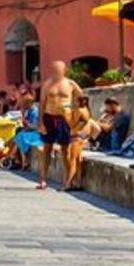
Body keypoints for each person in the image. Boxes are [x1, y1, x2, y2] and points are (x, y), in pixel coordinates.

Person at [38, 61, 78, 191]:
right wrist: (41, 122)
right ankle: (43, 179)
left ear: (64, 70)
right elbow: (42, 104)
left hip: (65, 119)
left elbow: (82, 99)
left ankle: (67, 180)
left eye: (59, 69)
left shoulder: (71, 84)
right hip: (49, 116)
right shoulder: (47, 84)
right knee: (47, 149)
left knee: (65, 149)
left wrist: (72, 112)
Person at [65, 92, 99, 191]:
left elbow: (72, 124)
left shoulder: (80, 111)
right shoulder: (86, 111)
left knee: (72, 161)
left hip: (76, 137)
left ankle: (68, 184)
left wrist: (66, 113)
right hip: (80, 137)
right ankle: (78, 183)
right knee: (78, 161)